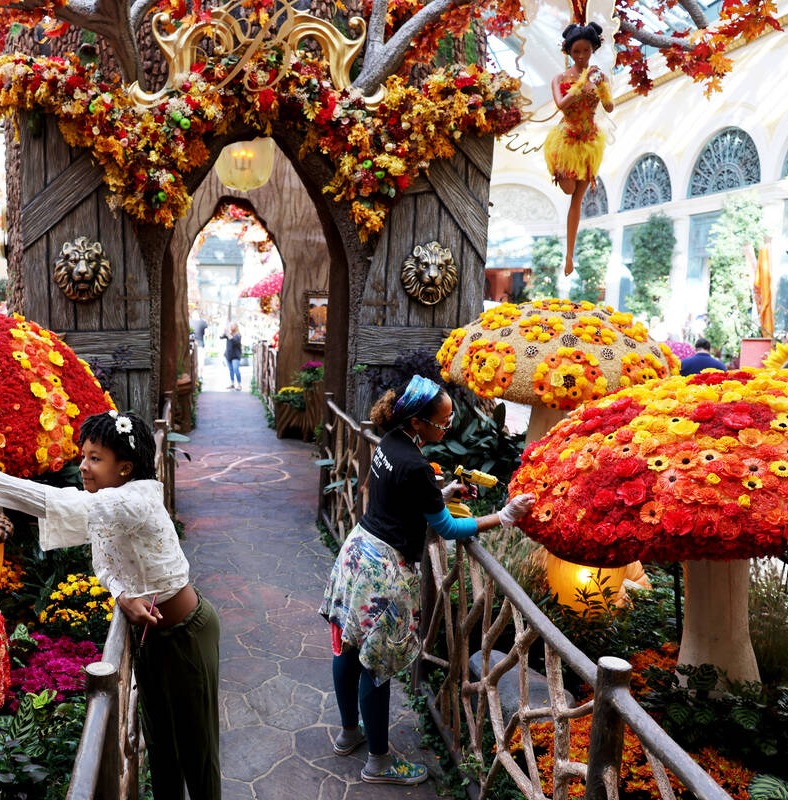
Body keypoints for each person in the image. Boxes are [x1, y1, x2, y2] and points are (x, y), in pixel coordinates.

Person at [0, 412, 221, 799]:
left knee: (198, 751)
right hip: (149, 636)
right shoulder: (107, 504)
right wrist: (123, 594)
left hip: (187, 633)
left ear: (125, 467)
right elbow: (104, 564)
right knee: (161, 748)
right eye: (83, 456)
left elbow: (58, 501)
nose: (83, 467)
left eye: (94, 458)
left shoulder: (133, 500)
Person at [320, 375, 535, 786]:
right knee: (377, 667)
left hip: (358, 552)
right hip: (385, 569)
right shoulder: (417, 465)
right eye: (442, 421)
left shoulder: (390, 444)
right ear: (418, 422)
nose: (448, 427)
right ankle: (379, 763)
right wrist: (503, 516)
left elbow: (403, 492)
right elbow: (449, 527)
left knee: (347, 648)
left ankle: (350, 733)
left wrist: (444, 488)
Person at [544, 22, 613, 277]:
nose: (582, 56)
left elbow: (609, 107)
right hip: (566, 140)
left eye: (586, 50)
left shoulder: (598, 76)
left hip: (589, 142)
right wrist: (581, 83)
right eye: (576, 52)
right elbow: (562, 104)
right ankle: (558, 171)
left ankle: (569, 256)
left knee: (578, 199)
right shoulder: (560, 78)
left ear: (593, 49)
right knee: (569, 187)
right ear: (569, 52)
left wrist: (601, 86)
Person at [220, 322, 242, 391]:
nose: (231, 327)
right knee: (231, 370)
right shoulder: (229, 334)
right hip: (228, 355)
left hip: (235, 356)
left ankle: (239, 384)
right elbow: (221, 337)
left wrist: (228, 333)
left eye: (232, 326)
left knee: (236, 369)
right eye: (230, 326)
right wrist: (224, 331)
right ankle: (232, 383)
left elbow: (233, 340)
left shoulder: (238, 335)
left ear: (236, 327)